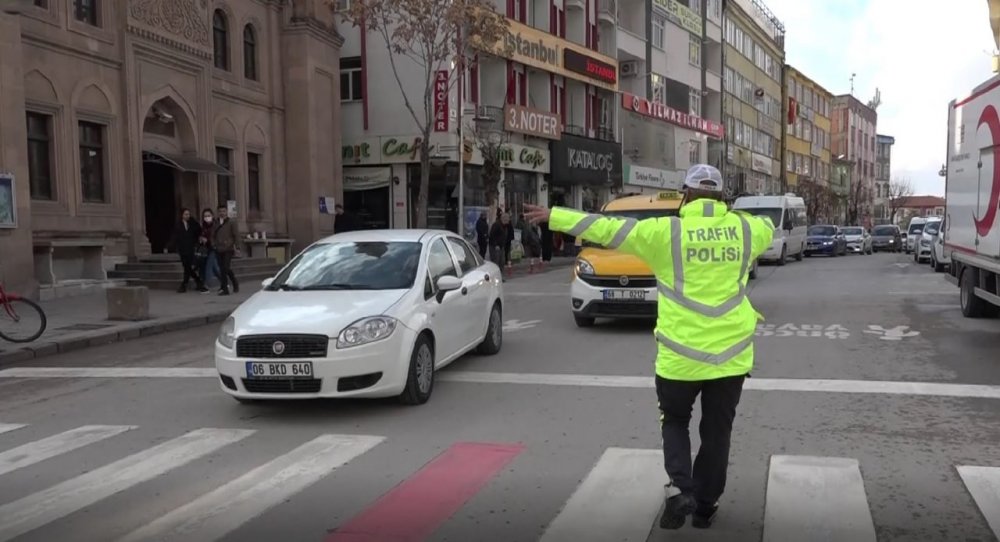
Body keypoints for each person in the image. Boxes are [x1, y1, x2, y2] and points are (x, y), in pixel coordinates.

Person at [523, 164, 774, 530]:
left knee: (674, 420)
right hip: (730, 358)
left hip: (678, 357)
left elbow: (605, 228)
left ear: (685, 195)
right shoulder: (746, 231)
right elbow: (768, 225)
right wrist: (731, 217)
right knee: (718, 433)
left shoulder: (663, 233)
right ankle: (705, 507)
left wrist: (555, 216)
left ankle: (680, 489)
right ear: (722, 198)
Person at [171, 208, 206, 293]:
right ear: (182, 215)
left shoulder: (192, 223)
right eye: (185, 214)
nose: (187, 216)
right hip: (182, 249)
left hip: (190, 249)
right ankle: (198, 282)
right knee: (187, 267)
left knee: (188, 267)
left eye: (188, 214)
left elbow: (198, 230)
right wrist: (169, 246)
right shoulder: (178, 224)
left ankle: (184, 285)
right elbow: (175, 236)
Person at [212, 205, 239, 296]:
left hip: (228, 249)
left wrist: (236, 246)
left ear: (226, 212)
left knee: (225, 267)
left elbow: (236, 235)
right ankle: (225, 288)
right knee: (222, 269)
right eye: (220, 211)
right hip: (218, 249)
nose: (222, 213)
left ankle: (234, 282)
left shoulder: (231, 222)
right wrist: (213, 244)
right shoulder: (215, 222)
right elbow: (212, 235)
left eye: (223, 211)